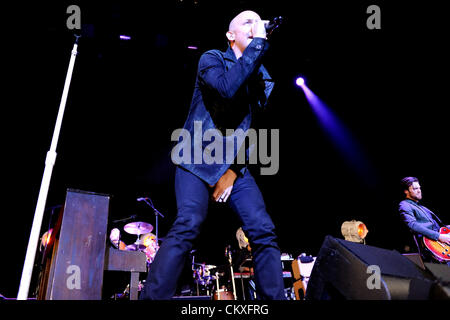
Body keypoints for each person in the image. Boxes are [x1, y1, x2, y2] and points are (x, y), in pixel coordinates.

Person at [139, 10, 286, 300]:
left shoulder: (262, 78)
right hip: (196, 158)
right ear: (230, 35)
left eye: (257, 21)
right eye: (247, 22)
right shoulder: (212, 59)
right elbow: (227, 89)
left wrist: (231, 172)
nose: (254, 25)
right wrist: (258, 42)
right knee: (189, 223)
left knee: (263, 229)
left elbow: (252, 129)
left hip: (232, 165)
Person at [398, 177, 450, 265]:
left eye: (419, 188)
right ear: (406, 191)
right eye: (415, 188)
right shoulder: (404, 204)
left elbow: (439, 226)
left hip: (442, 244)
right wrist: (438, 236)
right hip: (434, 246)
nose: (419, 190)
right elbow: (412, 224)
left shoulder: (422, 207)